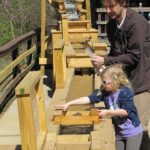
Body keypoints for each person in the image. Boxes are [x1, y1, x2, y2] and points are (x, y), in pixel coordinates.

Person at [91, 0, 150, 130]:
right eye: (105, 7)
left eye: (111, 6)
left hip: (140, 84)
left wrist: (105, 60)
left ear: (123, 3)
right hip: (122, 84)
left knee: (137, 128)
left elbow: (134, 56)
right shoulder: (112, 25)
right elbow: (115, 53)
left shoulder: (137, 24)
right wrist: (104, 68)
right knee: (122, 128)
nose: (107, 11)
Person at [56, 64, 143, 150]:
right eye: (102, 81)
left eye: (105, 82)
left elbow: (126, 111)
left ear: (116, 81)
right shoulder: (106, 92)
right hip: (120, 133)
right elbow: (89, 98)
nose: (103, 84)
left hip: (133, 133)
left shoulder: (125, 92)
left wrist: (108, 112)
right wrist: (69, 103)